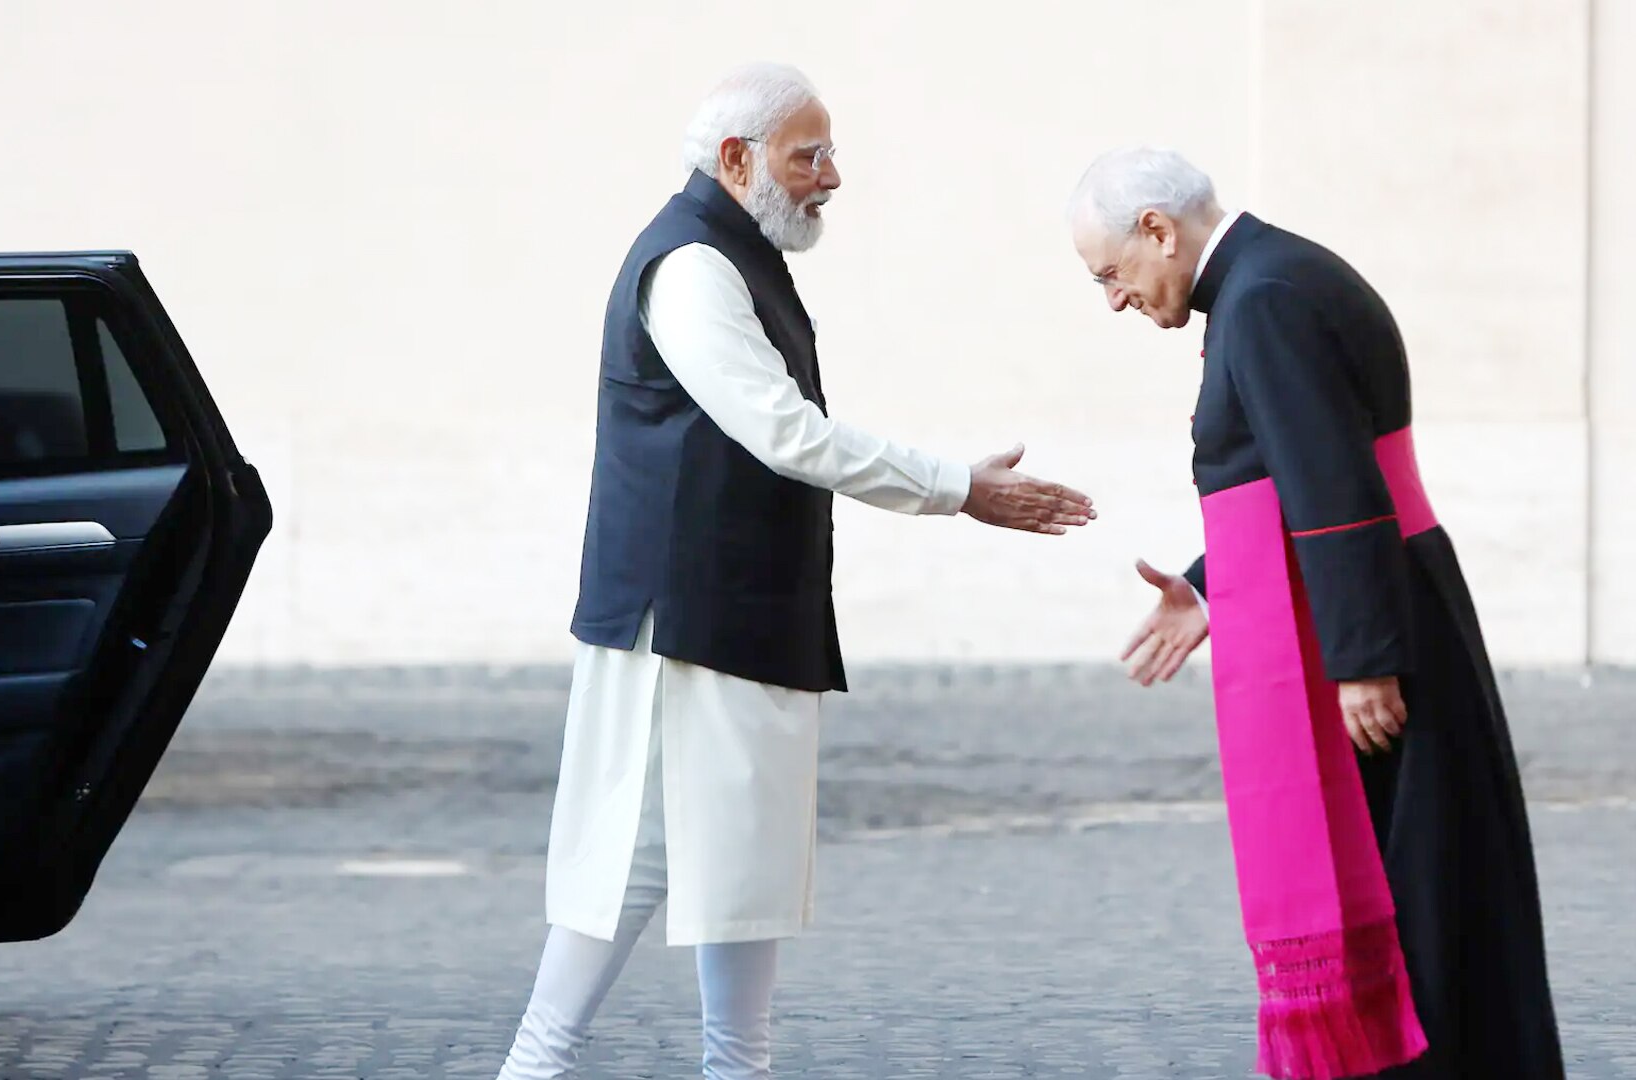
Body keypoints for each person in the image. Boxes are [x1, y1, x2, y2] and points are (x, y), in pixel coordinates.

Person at [496, 62, 1096, 1080]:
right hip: (683, 627)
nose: (831, 176)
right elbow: (785, 434)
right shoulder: (691, 268)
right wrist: (958, 487)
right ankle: (535, 1066)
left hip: (739, 617)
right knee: (632, 866)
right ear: (736, 161)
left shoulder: (733, 257)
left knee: (742, 873)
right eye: (807, 154)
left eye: (828, 152)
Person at [1069, 146, 1563, 1078]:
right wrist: (1211, 588)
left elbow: (1335, 487)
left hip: (1382, 623)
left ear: (1159, 232)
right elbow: (1291, 482)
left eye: (1112, 274)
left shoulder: (1262, 303)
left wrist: (1364, 660)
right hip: (1386, 597)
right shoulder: (1271, 279)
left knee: (1421, 891)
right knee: (1432, 882)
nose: (1117, 300)